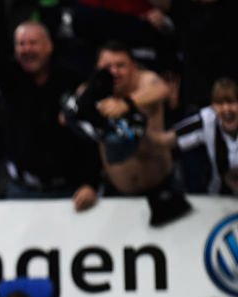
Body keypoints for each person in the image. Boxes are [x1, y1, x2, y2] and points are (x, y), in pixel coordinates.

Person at [63, 41, 190, 226]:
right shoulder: (89, 93)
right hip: (116, 190)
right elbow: (77, 131)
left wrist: (127, 104)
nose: (114, 71)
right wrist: (89, 183)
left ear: (133, 67)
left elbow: (161, 89)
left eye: (120, 65)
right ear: (97, 69)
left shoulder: (146, 81)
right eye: (107, 67)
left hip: (164, 185)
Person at [0, 21, 101, 209]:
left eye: (33, 43)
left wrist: (90, 183)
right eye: (21, 44)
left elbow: (89, 136)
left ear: (49, 46)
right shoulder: (10, 80)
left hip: (69, 192)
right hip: (21, 191)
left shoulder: (72, 80)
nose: (27, 49)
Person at [162, 77, 238, 195]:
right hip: (219, 198)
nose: (226, 109)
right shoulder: (207, 120)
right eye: (219, 103)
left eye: (232, 102)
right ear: (213, 106)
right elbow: (166, 140)